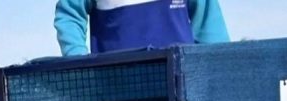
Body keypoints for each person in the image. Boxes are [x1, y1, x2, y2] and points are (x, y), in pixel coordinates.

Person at [54, 0, 230, 56]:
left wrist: (219, 69)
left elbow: (210, 28)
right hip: (114, 94)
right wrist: (79, 65)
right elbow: (70, 16)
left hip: (182, 91)